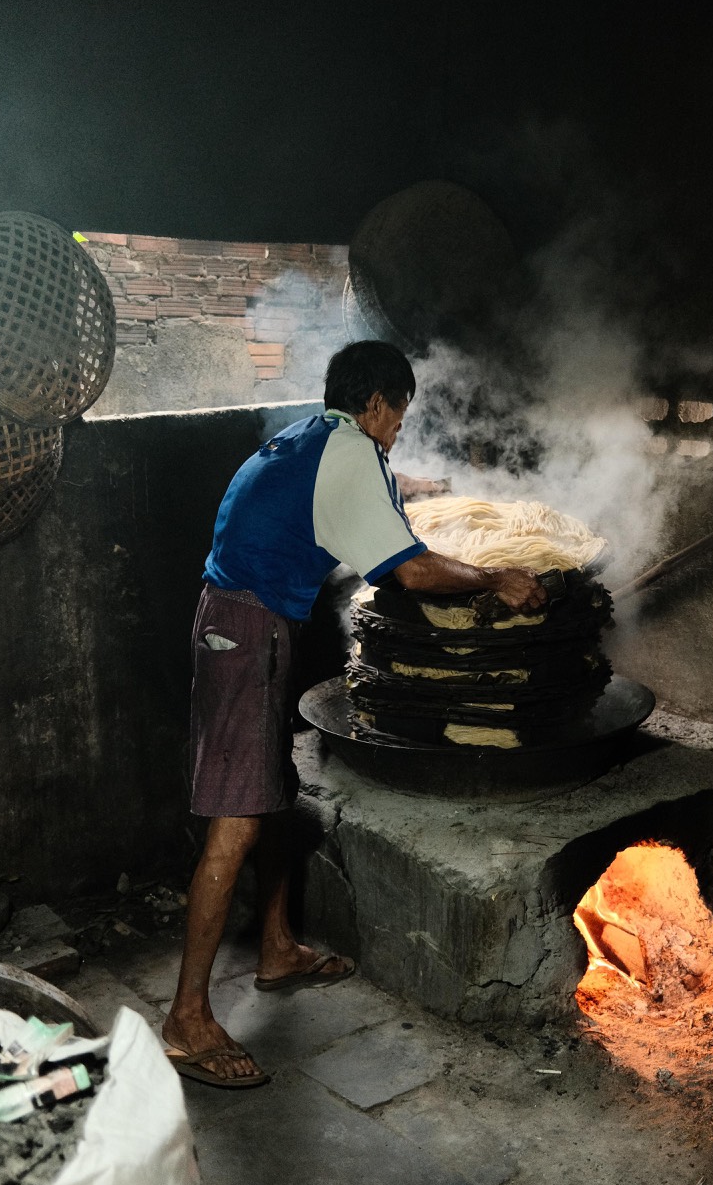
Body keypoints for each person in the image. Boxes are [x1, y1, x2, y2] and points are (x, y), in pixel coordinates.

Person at [163, 340, 547, 1087]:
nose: (399, 429)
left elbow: (348, 492)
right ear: (376, 404)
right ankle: (186, 1019)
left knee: (271, 796)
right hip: (243, 633)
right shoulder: (351, 454)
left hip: (243, 620)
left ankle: (276, 949)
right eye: (399, 415)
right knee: (235, 823)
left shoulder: (316, 436)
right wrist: (495, 577)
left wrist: (412, 486)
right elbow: (413, 571)